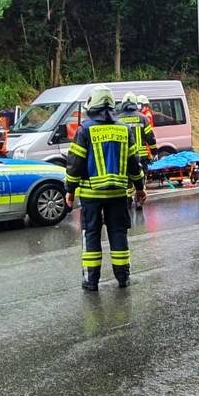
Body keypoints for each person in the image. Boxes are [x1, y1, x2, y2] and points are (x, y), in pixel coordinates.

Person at [64, 86, 146, 291]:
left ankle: (91, 281)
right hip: (118, 193)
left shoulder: (85, 129)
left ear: (93, 105)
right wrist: (139, 187)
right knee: (118, 233)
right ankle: (123, 277)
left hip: (91, 194)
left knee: (91, 234)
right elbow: (134, 163)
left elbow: (75, 163)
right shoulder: (123, 129)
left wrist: (70, 189)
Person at [115, 92, 156, 210]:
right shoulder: (142, 118)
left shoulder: (117, 119)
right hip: (141, 156)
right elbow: (150, 137)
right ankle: (139, 200)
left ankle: (127, 200)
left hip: (123, 157)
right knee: (140, 179)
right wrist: (154, 152)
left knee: (126, 179)